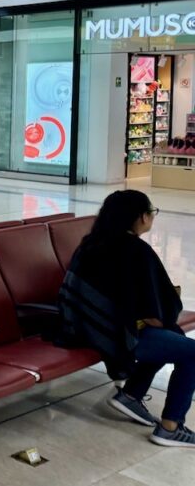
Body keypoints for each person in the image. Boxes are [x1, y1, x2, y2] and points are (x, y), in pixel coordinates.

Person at [54, 190, 193, 447]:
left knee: (173, 336)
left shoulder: (90, 243)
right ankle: (171, 428)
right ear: (140, 217)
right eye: (151, 212)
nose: (152, 217)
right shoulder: (136, 251)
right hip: (115, 335)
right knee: (188, 349)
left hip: (80, 328)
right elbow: (160, 311)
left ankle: (131, 394)